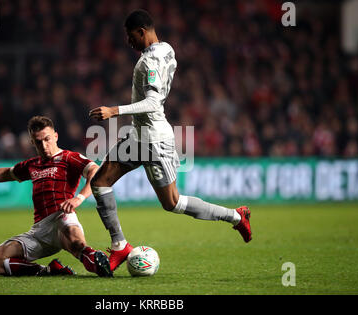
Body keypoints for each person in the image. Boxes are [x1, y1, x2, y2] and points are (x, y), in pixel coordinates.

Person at [89, 10, 252, 272]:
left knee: (173, 203)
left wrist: (113, 111)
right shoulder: (167, 49)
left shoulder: (148, 63)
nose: (128, 42)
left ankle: (235, 216)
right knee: (100, 182)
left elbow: (153, 102)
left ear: (142, 31)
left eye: (130, 36)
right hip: (138, 135)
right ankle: (120, 246)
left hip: (154, 139)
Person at [0, 116, 113, 277]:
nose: (44, 145)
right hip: (39, 231)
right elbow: (4, 173)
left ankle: (97, 261)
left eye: (47, 139)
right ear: (33, 142)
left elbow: (94, 171)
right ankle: (48, 271)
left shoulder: (69, 157)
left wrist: (79, 198)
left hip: (62, 218)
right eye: (39, 142)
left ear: (55, 136)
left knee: (77, 243)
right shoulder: (32, 165)